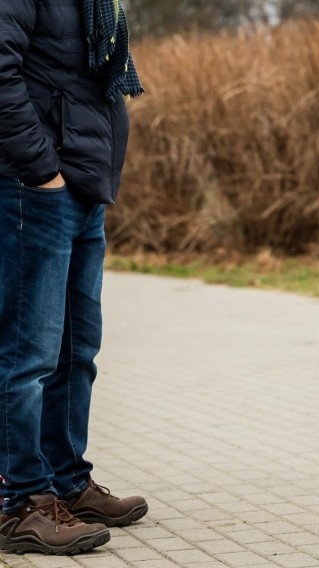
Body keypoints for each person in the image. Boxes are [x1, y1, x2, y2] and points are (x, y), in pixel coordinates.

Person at [0, 0, 148, 555]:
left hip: (82, 186)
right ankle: (20, 503)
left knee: (74, 351)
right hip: (33, 187)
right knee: (26, 354)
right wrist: (42, 171)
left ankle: (65, 482)